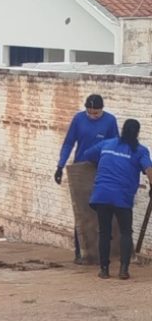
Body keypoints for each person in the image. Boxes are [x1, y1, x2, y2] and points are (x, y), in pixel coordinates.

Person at [82, 119, 152, 279]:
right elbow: (149, 169)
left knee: (104, 233)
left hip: (101, 195)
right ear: (137, 133)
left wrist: (104, 162)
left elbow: (88, 154)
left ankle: (104, 270)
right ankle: (123, 270)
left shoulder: (107, 144)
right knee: (126, 232)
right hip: (122, 198)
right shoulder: (140, 151)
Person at [55, 94, 119, 263]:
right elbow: (69, 142)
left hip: (101, 168)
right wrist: (60, 166)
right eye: (89, 113)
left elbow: (115, 144)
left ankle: (103, 252)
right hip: (81, 169)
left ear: (102, 110)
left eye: (96, 113)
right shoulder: (78, 119)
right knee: (81, 211)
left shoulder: (110, 121)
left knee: (102, 211)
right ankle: (80, 252)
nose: (92, 116)